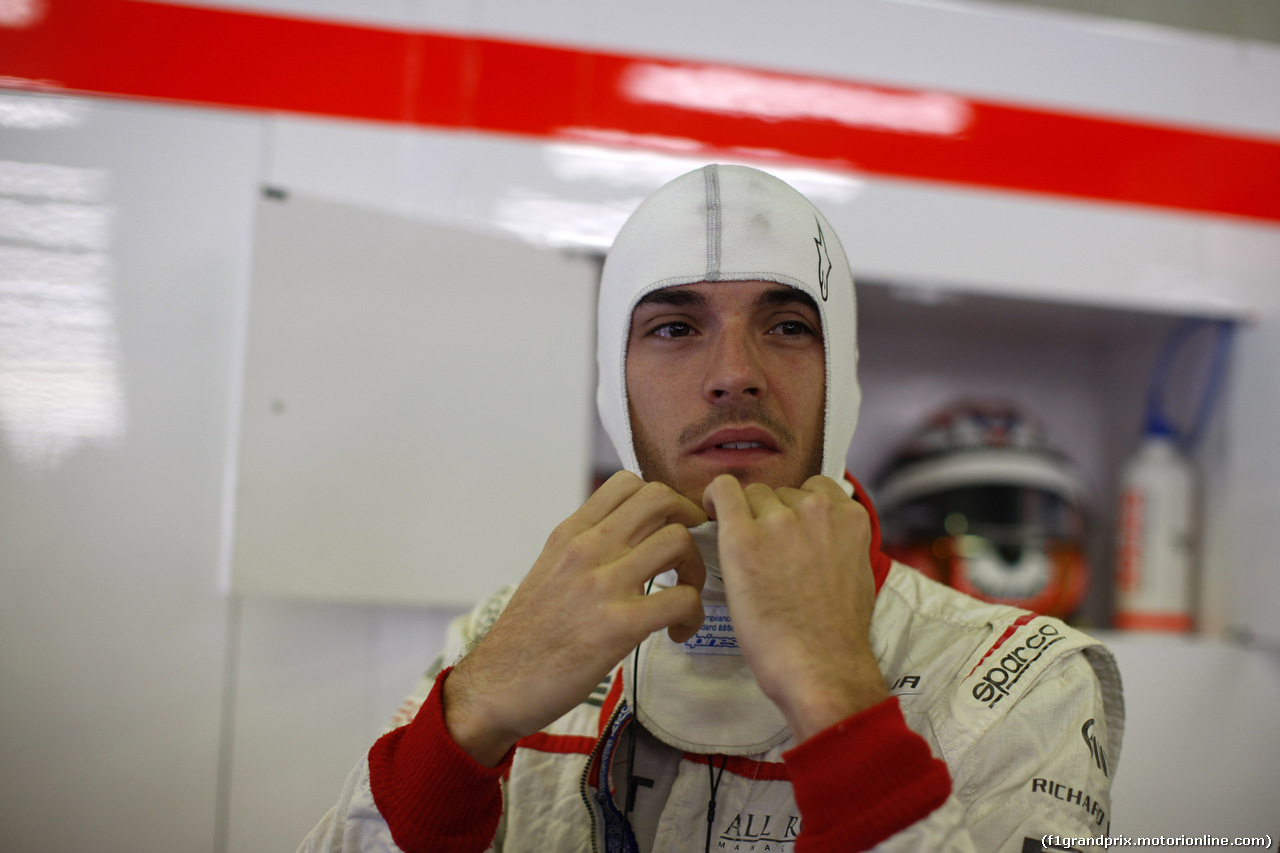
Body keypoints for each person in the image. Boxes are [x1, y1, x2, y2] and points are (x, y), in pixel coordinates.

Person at [300, 165, 1124, 853]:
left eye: (789, 324)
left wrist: (840, 702)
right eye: (673, 327)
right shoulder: (494, 635)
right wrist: (471, 715)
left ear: (844, 375)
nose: (734, 372)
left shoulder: (1027, 679)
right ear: (611, 380)